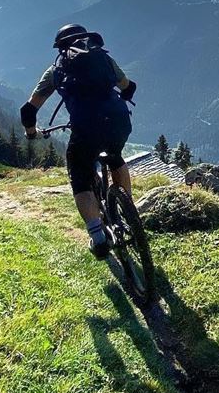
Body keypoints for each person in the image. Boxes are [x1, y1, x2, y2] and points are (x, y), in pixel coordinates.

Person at [20, 23, 137, 260]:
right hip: (118, 120)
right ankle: (129, 212)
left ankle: (97, 236)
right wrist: (123, 96)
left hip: (86, 127)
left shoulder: (56, 69)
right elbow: (129, 87)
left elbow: (28, 109)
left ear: (60, 47)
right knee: (115, 158)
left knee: (80, 176)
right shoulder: (104, 59)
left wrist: (31, 132)